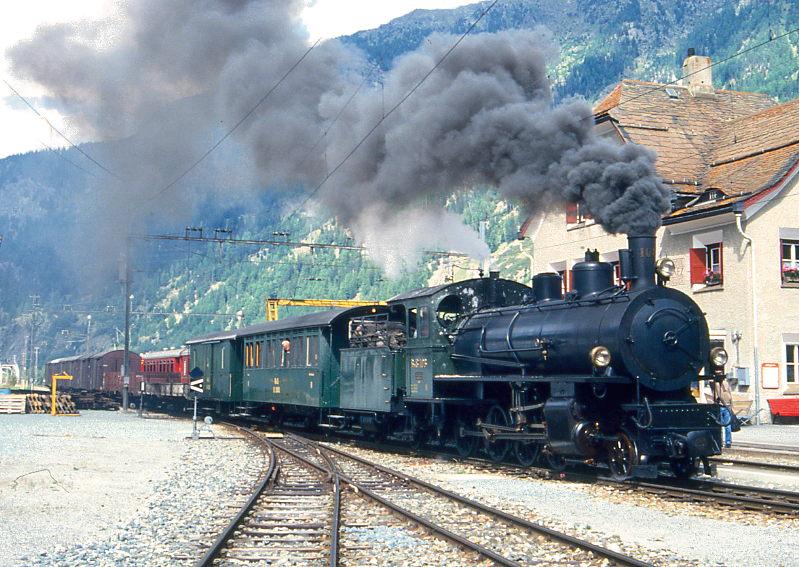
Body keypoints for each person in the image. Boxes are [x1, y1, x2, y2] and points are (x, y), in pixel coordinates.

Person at [709, 378, 734, 448]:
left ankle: (728, 442)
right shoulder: (716, 384)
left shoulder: (725, 383)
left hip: (727, 406)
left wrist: (731, 404)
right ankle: (720, 442)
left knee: (727, 426)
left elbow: (730, 393)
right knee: (720, 425)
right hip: (720, 406)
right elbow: (719, 396)